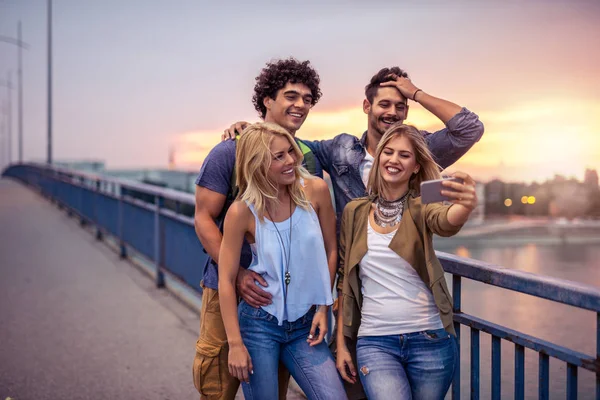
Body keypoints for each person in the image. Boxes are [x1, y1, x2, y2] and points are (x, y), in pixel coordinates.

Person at [223, 66, 484, 399]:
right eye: (384, 104)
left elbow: (469, 130)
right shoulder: (341, 149)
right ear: (367, 106)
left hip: (411, 312)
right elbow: (285, 147)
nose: (392, 112)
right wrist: (250, 129)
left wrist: (415, 92)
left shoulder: (421, 149)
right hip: (353, 294)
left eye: (400, 106)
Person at [192, 58, 324, 400]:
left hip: (278, 299)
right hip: (228, 289)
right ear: (267, 99)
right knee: (217, 388)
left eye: (307, 99)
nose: (300, 105)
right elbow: (204, 218)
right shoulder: (229, 152)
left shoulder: (305, 159)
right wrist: (236, 275)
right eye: (290, 96)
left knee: (270, 392)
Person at [335, 123, 478, 400]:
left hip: (430, 340)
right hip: (375, 342)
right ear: (378, 159)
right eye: (388, 152)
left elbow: (445, 222)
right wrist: (341, 345)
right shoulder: (354, 212)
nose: (393, 160)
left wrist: (466, 206)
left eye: (404, 155)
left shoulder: (422, 203)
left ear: (415, 166)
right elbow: (345, 285)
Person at [218, 122, 346, 400]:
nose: (290, 160)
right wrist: (235, 344)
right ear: (257, 164)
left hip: (305, 326)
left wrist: (324, 308)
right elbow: (226, 281)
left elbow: (331, 250)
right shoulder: (242, 211)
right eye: (278, 156)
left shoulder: (316, 190)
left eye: (290, 151)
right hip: (259, 324)